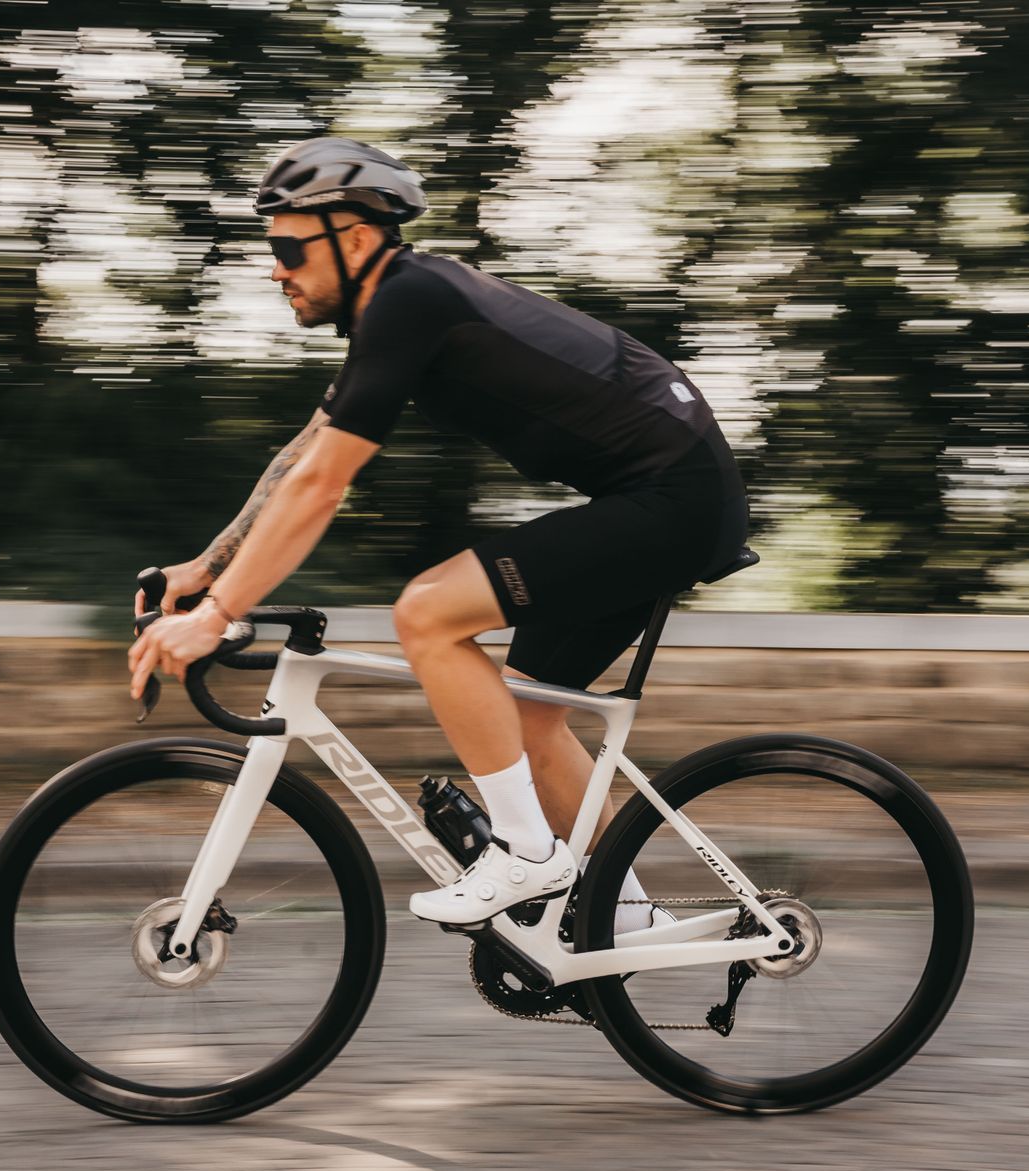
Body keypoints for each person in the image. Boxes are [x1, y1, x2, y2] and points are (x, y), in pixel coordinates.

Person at [129, 137, 749, 930]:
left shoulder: (409, 299)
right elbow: (305, 457)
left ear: (352, 237)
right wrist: (206, 569)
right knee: (527, 716)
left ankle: (526, 855)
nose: (275, 267)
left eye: (287, 246)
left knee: (426, 611)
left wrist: (216, 619)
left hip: (674, 499)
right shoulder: (399, 309)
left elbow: (325, 487)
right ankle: (617, 920)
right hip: (662, 495)